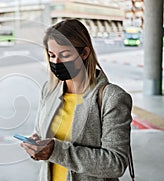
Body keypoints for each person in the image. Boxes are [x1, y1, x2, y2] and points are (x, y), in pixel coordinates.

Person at [20, 19, 133, 180]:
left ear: (84, 53)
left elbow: (115, 164)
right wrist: (36, 146)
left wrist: (55, 151)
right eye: (51, 55)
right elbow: (42, 135)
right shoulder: (49, 90)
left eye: (65, 55)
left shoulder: (112, 98)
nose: (56, 62)